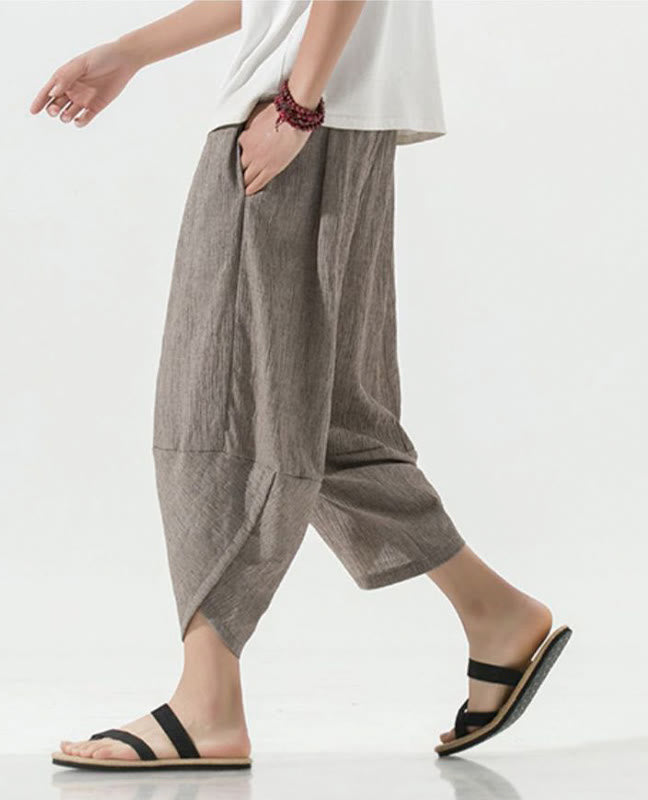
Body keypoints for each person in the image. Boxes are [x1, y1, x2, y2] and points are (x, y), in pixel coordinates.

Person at [30, 0, 571, 770]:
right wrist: (132, 51)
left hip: (299, 114)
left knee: (217, 405)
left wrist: (296, 106)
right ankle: (496, 614)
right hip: (339, 114)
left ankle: (207, 702)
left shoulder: (295, 112)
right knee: (328, 420)